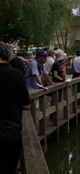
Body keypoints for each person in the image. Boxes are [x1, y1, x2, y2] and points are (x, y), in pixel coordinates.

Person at [0, 42, 31, 174]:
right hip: (10, 131)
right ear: (9, 57)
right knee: (9, 168)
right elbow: (27, 105)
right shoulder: (17, 75)